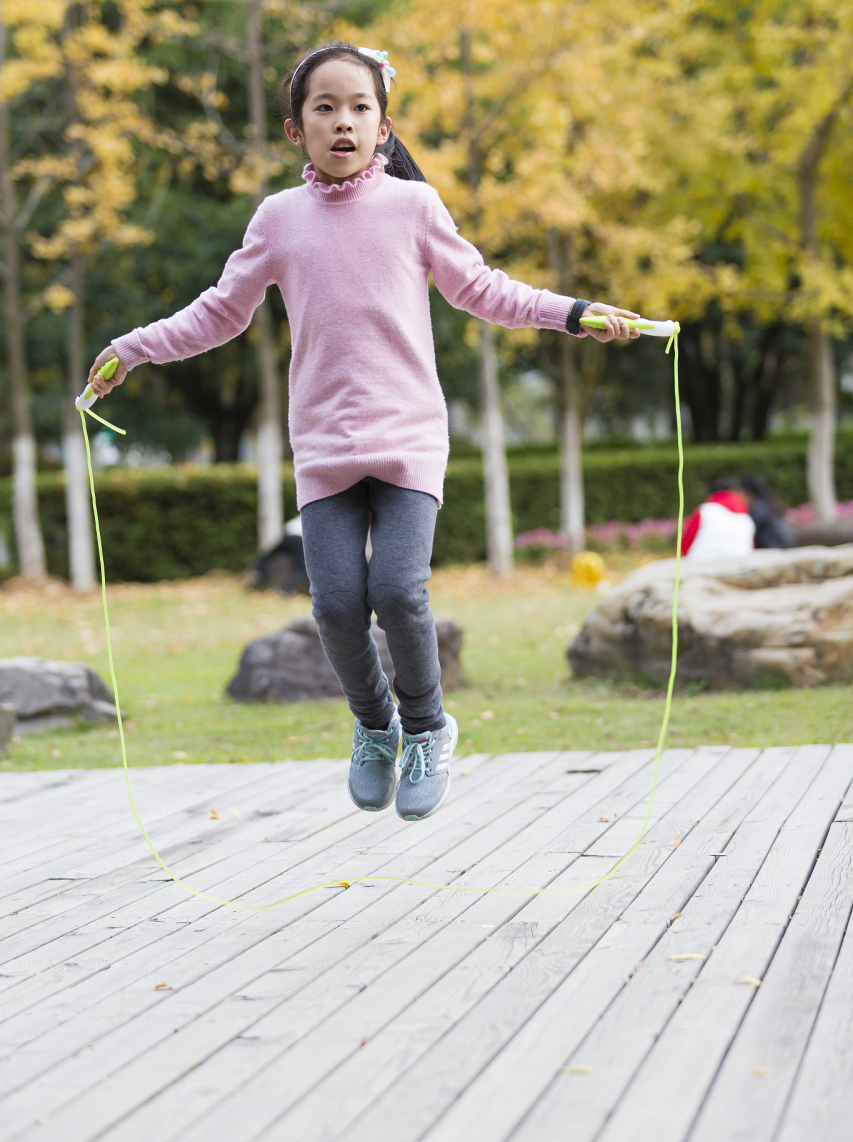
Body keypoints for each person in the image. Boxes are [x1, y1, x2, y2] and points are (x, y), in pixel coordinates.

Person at [87, 41, 640, 821]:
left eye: (359, 107)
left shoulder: (414, 207)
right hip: (323, 447)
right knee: (337, 604)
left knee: (398, 591)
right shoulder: (278, 219)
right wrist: (131, 348)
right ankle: (375, 727)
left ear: (384, 127)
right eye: (324, 107)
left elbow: (482, 288)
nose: (342, 121)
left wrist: (575, 315)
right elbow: (220, 312)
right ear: (294, 129)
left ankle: (426, 729)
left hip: (408, 435)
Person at [681, 477, 755, 560]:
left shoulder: (706, 509)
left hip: (701, 560)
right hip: (739, 561)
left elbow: (685, 544)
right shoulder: (745, 515)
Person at [740, 474, 795, 549]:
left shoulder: (758, 507)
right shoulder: (770, 501)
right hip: (784, 544)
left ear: (747, 492)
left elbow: (747, 529)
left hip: (773, 547)